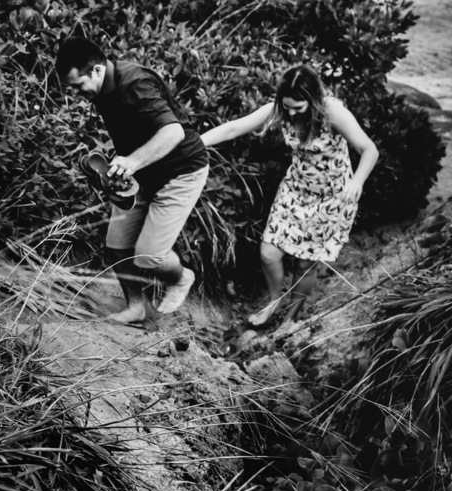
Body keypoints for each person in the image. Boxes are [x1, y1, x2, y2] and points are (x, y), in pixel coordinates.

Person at [200, 64, 379, 326]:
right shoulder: (281, 107)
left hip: (330, 199)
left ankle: (291, 320)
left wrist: (358, 181)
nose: (291, 113)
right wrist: (195, 142)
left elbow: (369, 150)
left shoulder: (334, 113)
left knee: (305, 264)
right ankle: (273, 302)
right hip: (295, 190)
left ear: (314, 99)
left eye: (298, 107)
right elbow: (233, 128)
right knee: (269, 254)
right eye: (287, 106)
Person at [55, 36, 209, 323]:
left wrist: (132, 161)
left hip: (181, 172)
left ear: (97, 71)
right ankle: (136, 307)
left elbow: (172, 132)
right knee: (117, 245)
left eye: (78, 86)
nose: (77, 93)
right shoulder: (103, 89)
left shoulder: (135, 84)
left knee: (149, 256)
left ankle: (182, 277)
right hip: (142, 174)